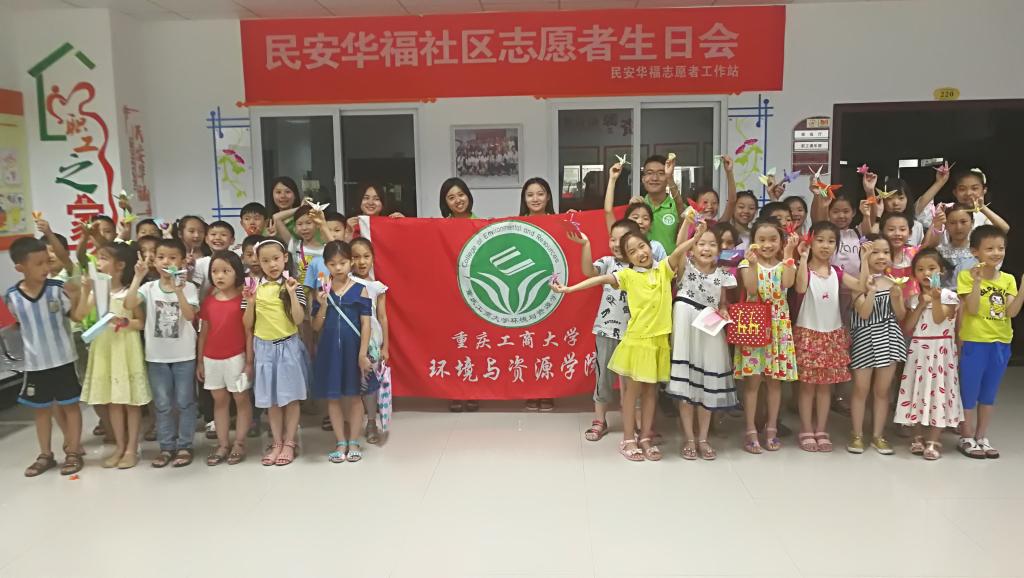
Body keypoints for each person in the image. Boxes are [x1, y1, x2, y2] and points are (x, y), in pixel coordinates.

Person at [552, 216, 704, 462]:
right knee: (632, 393)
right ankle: (628, 439)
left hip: (658, 342)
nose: (640, 253)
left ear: (650, 246)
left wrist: (695, 237)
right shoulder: (627, 276)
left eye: (642, 247)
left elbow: (678, 251)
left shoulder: (664, 269)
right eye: (632, 252)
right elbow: (600, 279)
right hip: (637, 342)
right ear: (628, 258)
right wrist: (569, 289)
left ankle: (645, 437)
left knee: (651, 393)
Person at [6, 237, 87, 477]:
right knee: (41, 410)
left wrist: (79, 294)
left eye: (47, 262)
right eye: (38, 264)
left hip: (63, 360)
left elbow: (75, 316)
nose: (45, 268)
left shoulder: (57, 289)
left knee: (70, 406)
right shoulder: (13, 297)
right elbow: (18, 323)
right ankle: (45, 454)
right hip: (35, 364)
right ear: (20, 267)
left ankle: (73, 451)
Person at [666, 220, 738, 460]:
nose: (706, 249)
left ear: (719, 249)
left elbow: (722, 302)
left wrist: (724, 310)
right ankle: (689, 438)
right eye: (700, 244)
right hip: (686, 323)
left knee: (708, 383)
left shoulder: (723, 275)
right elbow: (678, 248)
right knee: (686, 385)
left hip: (710, 325)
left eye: (712, 244)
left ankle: (703, 438)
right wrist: (688, 227)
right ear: (693, 247)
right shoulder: (685, 266)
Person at [125, 238, 201, 468]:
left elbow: (190, 316)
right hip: (156, 357)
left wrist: (178, 290)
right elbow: (129, 304)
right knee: (162, 404)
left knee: (185, 402)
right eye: (161, 257)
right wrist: (137, 277)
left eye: (172, 257)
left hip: (184, 356)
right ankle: (166, 446)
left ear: (182, 262)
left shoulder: (190, 288)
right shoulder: (148, 288)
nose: (166, 262)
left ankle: (185, 445)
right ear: (154, 261)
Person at [792, 222, 866, 453]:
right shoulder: (803, 269)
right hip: (808, 334)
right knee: (807, 388)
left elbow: (861, 285)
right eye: (820, 240)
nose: (825, 245)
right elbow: (800, 287)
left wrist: (864, 260)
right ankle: (806, 429)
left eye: (831, 241)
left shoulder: (837, 272)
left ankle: (821, 429)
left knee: (825, 388)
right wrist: (803, 258)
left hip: (832, 336)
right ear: (811, 241)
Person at [79, 242, 150, 469]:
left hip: (125, 348)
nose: (98, 263)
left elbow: (140, 322)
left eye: (103, 258)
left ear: (120, 265)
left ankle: (131, 449)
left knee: (130, 401)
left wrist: (125, 322)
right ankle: (119, 446)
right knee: (113, 401)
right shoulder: (97, 292)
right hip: (104, 347)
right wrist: (85, 290)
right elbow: (80, 314)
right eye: (98, 258)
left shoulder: (130, 292)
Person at [570, 218, 642, 442]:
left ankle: (638, 424)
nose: (615, 244)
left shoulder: (644, 265)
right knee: (603, 378)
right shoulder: (608, 262)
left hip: (636, 333)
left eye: (622, 239)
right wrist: (586, 245)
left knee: (634, 380)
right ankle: (600, 420)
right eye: (612, 239)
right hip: (607, 330)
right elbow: (588, 271)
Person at [956, 225, 1023, 459]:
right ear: (975, 251)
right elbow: (972, 309)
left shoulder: (1008, 279)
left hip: (1001, 342)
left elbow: (1011, 312)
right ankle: (966, 436)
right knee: (969, 391)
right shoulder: (966, 276)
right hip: (975, 341)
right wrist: (976, 282)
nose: (997, 253)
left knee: (989, 393)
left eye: (1001, 248)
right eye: (990, 248)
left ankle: (981, 436)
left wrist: (1023, 289)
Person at [734, 220, 799, 454]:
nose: (767, 244)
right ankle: (751, 430)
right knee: (752, 384)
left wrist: (789, 253)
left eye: (773, 239)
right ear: (753, 241)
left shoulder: (785, 264)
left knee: (774, 383)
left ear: (781, 241)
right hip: (754, 327)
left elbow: (788, 283)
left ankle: (771, 428)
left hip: (779, 329)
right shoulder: (746, 263)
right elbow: (752, 290)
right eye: (761, 239)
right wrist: (752, 265)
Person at [243, 239, 310, 466]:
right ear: (258, 262)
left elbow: (299, 319)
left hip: (288, 346)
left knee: (291, 398)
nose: (272, 264)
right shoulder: (254, 287)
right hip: (264, 348)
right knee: (271, 400)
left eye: (276, 259)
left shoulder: (293, 285)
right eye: (265, 260)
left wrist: (292, 294)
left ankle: (290, 442)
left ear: (285, 258)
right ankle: (277, 442)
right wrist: (250, 301)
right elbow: (247, 324)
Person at [896, 248, 962, 460]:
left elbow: (939, 319)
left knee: (939, 393)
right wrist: (921, 304)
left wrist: (935, 298)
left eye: (932, 268)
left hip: (941, 352)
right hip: (919, 351)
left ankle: (934, 439)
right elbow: (908, 327)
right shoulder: (913, 299)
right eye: (921, 269)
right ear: (914, 274)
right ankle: (917, 436)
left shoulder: (950, 296)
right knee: (917, 392)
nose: (926, 273)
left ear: (941, 271)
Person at [312, 241, 373, 463]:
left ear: (351, 262)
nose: (338, 268)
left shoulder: (360, 289)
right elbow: (316, 326)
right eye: (332, 264)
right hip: (330, 352)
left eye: (343, 262)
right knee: (333, 398)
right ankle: (340, 442)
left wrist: (362, 354)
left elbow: (366, 324)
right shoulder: (322, 291)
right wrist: (323, 305)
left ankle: (354, 441)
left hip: (353, 350)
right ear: (326, 265)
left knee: (355, 396)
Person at [848, 236, 907, 455]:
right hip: (864, 339)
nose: (881, 257)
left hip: (889, 339)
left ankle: (878, 436)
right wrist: (871, 291)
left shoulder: (893, 282)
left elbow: (901, 315)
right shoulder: (857, 283)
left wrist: (897, 298)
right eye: (875, 252)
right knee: (860, 389)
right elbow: (864, 313)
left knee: (882, 391)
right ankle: (856, 435)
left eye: (886, 252)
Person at [196, 251, 253, 466]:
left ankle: (239, 443)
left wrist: (249, 362)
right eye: (214, 271)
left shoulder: (244, 300)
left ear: (237, 273)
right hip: (212, 359)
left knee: (241, 399)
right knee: (219, 401)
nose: (219, 276)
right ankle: (222, 444)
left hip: (236, 358)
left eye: (225, 271)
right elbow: (203, 333)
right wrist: (200, 361)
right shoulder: (209, 301)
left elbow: (249, 332)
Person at [440, 177, 478, 412]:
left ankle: (473, 391)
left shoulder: (482, 224)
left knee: (475, 344)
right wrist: (400, 223)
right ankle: (454, 392)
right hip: (451, 296)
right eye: (451, 197)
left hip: (475, 295)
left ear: (468, 196)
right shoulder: (440, 227)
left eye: (461, 195)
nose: (457, 201)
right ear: (445, 202)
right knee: (453, 344)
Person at [519, 177, 556, 411]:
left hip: (552, 292)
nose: (535, 199)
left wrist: (574, 220)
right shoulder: (515, 225)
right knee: (527, 344)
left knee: (548, 343)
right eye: (530, 194)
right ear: (524, 199)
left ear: (548, 197)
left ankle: (549, 391)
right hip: (526, 292)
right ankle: (531, 391)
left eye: (540, 193)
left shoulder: (558, 222)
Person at [350, 238, 389, 445]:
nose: (361, 262)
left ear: (373, 258)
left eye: (366, 256)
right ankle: (352, 423)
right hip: (350, 338)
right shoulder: (346, 280)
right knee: (352, 382)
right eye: (355, 257)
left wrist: (386, 347)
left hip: (372, 342)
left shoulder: (377, 287)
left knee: (370, 384)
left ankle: (372, 422)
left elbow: (382, 317)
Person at [934, 203, 977, 288]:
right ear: (945, 225)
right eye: (952, 223)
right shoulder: (938, 252)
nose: (958, 227)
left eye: (963, 222)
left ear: (972, 223)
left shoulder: (979, 251)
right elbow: (933, 282)